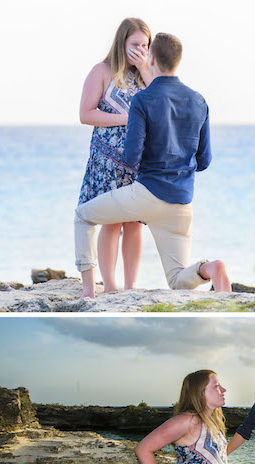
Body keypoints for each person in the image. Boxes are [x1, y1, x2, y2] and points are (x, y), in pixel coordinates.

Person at [74, 32, 231, 299]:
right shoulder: (199, 101)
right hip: (181, 203)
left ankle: (89, 294)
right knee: (178, 278)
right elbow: (204, 161)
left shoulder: (143, 100)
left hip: (147, 194)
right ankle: (211, 267)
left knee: (83, 216)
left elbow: (132, 157)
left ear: (152, 58)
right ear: (178, 61)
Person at [78, 18, 152, 294]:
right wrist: (127, 118)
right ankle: (109, 286)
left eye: (145, 45)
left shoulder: (148, 75)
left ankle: (131, 287)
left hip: (137, 160)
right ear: (122, 43)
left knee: (135, 223)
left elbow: (160, 101)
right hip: (106, 160)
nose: (140, 50)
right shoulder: (102, 71)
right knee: (110, 222)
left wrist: (145, 67)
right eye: (135, 45)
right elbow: (86, 114)